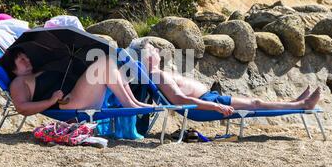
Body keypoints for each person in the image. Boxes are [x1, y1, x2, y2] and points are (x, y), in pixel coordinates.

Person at [128, 39, 321, 117]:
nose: (157, 50)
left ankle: (296, 103)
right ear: (146, 56)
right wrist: (215, 106)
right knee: (255, 103)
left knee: (255, 102)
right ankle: (301, 105)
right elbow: (180, 100)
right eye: (152, 49)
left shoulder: (153, 75)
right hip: (204, 104)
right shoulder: (157, 75)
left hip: (207, 100)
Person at [0, 47, 152, 116]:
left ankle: (133, 102)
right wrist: (50, 101)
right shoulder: (18, 83)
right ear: (13, 68)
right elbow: (22, 108)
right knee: (104, 61)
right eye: (21, 59)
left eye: (26, 57)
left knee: (109, 61)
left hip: (76, 96)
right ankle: (129, 104)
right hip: (68, 103)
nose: (27, 59)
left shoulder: (37, 72)